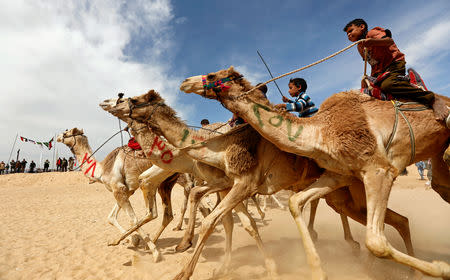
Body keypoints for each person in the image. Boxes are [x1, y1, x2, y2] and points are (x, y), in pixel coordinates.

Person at [343, 18, 448, 121]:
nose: (348, 34)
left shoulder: (372, 33)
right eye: (347, 33)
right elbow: (372, 63)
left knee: (388, 85)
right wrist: (369, 79)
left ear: (362, 27)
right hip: (380, 71)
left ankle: (432, 99)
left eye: (350, 30)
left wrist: (373, 42)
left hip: (394, 65)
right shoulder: (359, 47)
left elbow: (389, 41)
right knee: (365, 90)